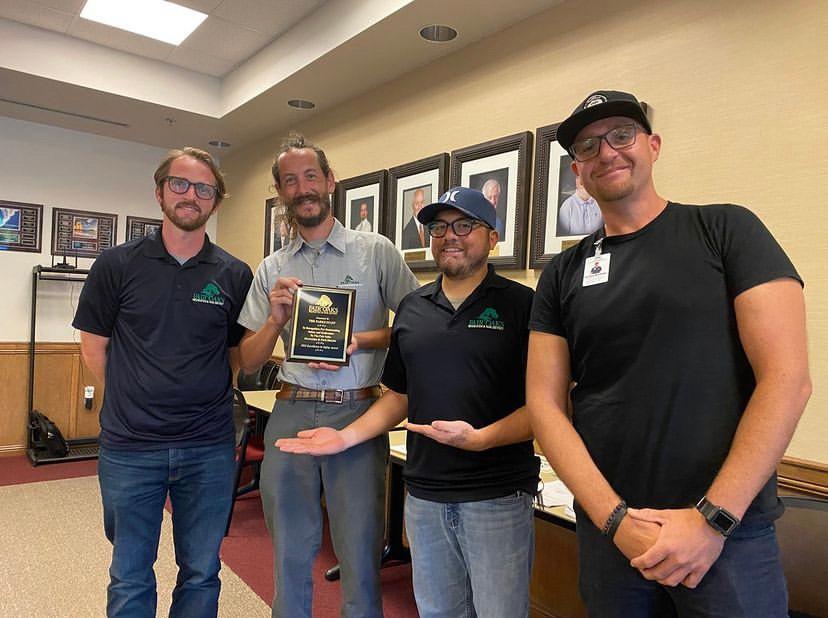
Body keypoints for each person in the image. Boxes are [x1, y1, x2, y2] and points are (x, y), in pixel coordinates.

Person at [527, 90, 811, 616]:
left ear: (653, 146)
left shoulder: (726, 230)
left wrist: (712, 520)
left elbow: (787, 379)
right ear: (577, 172)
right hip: (613, 538)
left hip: (728, 537)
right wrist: (615, 521)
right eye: (588, 146)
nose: (606, 152)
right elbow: (544, 404)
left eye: (621, 135)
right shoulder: (562, 274)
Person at [277, 187, 540, 618]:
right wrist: (344, 438)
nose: (449, 236)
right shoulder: (413, 308)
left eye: (464, 225)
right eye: (439, 227)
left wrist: (483, 439)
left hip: (496, 496)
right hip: (424, 496)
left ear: (493, 237)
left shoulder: (523, 305)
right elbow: (398, 397)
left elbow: (546, 408)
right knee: (437, 611)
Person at [236, 133, 419, 618]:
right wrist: (274, 320)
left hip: (359, 411)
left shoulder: (376, 252)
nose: (303, 189)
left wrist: (360, 340)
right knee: (289, 550)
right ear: (281, 193)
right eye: (290, 181)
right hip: (290, 410)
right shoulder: (272, 268)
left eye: (311, 176)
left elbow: (418, 325)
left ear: (330, 181)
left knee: (359, 552)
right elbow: (247, 362)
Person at [73, 147, 254, 617]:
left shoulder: (235, 274)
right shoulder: (116, 265)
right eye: (180, 184)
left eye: (204, 189)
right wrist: (135, 395)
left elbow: (235, 355)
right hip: (131, 447)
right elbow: (94, 349)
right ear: (159, 192)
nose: (191, 195)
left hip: (208, 447)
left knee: (202, 571)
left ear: (216, 201)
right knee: (130, 573)